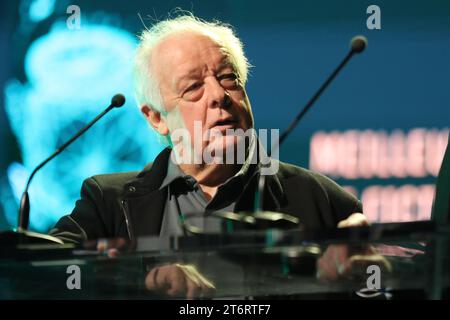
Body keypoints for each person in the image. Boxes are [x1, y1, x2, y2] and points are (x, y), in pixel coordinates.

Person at [49, 13, 378, 298]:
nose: (219, 96)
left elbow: (379, 291)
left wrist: (368, 280)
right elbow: (39, 271)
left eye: (228, 78)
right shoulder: (108, 203)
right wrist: (142, 277)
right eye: (193, 87)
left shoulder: (324, 201)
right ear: (156, 118)